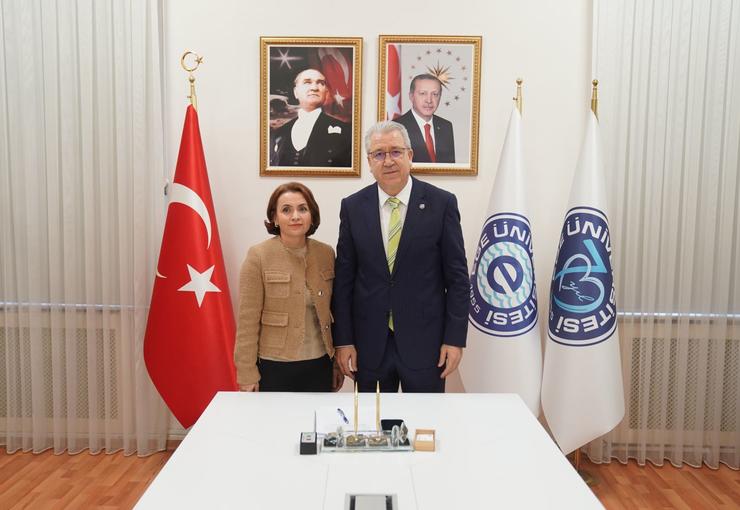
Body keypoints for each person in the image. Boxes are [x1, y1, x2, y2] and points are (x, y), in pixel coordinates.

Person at [331, 121, 469, 393]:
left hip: (427, 344)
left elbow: (458, 280)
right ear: (369, 162)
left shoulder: (442, 204)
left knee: (424, 419)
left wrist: (454, 339)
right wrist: (343, 340)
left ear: (410, 155)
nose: (388, 161)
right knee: (374, 419)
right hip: (369, 345)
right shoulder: (353, 207)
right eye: (379, 154)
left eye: (395, 151)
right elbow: (344, 281)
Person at [234, 182, 344, 392]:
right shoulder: (258, 256)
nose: (295, 216)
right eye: (286, 210)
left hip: (320, 364)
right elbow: (247, 321)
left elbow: (334, 312)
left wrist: (335, 363)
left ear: (312, 215)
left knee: (316, 415)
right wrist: (246, 373)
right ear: (274, 217)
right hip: (274, 366)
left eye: (302, 209)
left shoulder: (326, 253)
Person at [270, 68, 352, 168]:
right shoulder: (279, 134)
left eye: (321, 83)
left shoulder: (346, 132)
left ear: (326, 92)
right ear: (296, 92)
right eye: (307, 82)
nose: (314, 88)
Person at [395, 74, 455, 163]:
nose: (429, 100)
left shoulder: (446, 126)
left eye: (435, 94)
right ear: (411, 96)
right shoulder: (396, 127)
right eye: (423, 93)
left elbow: (450, 167)